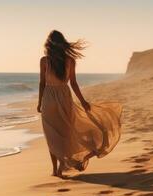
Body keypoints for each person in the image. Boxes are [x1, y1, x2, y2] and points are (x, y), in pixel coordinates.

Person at [37, 30, 122, 178]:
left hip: (49, 99)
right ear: (63, 43)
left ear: (48, 44)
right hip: (65, 98)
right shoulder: (70, 61)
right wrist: (83, 102)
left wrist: (39, 102)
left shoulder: (44, 61)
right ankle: (64, 165)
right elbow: (74, 84)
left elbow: (42, 83)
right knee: (65, 133)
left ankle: (55, 170)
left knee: (51, 136)